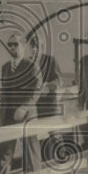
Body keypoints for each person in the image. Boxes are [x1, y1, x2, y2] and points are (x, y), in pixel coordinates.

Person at [0, 35, 43, 174]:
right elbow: (3, 94)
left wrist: (23, 108)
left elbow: (36, 90)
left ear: (23, 46)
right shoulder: (6, 67)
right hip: (8, 116)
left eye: (15, 44)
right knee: (4, 153)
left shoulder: (31, 66)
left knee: (31, 152)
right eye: (10, 44)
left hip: (26, 115)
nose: (12, 47)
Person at [28, 34, 63, 163]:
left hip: (50, 105)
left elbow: (59, 80)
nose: (35, 50)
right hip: (35, 107)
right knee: (39, 138)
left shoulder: (51, 60)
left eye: (37, 47)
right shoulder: (28, 63)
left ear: (41, 48)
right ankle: (43, 168)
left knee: (55, 136)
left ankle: (62, 162)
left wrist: (48, 86)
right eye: (33, 47)